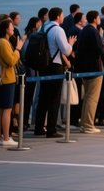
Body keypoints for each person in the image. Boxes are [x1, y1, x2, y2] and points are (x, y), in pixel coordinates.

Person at [33, 8, 76, 138]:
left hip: (43, 65)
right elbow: (66, 51)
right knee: (54, 99)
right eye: (62, 15)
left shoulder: (44, 28)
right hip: (55, 65)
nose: (63, 17)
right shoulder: (58, 29)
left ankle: (39, 127)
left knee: (43, 98)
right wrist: (71, 44)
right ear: (58, 16)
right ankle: (51, 129)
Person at [0, 16, 24, 146]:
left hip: (0, 79)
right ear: (5, 29)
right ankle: (5, 137)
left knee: (0, 108)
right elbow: (11, 61)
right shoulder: (4, 42)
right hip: (6, 79)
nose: (13, 29)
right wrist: (18, 49)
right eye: (11, 27)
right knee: (7, 109)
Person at [74, 10, 104, 134]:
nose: (99, 19)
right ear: (95, 19)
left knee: (88, 97)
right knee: (92, 98)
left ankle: (84, 123)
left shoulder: (84, 30)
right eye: (98, 17)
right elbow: (100, 50)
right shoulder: (93, 31)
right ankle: (89, 125)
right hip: (94, 68)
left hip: (85, 68)